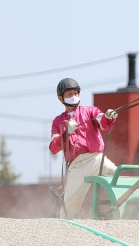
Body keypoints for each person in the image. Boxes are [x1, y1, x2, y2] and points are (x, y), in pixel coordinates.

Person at [49, 78, 118, 219]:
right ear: (60, 98)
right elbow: (53, 148)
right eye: (69, 94)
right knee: (68, 207)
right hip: (75, 166)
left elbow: (103, 122)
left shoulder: (90, 111)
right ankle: (62, 229)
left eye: (76, 93)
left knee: (118, 176)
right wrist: (65, 133)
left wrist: (108, 117)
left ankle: (132, 208)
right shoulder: (58, 121)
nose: (73, 96)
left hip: (96, 159)